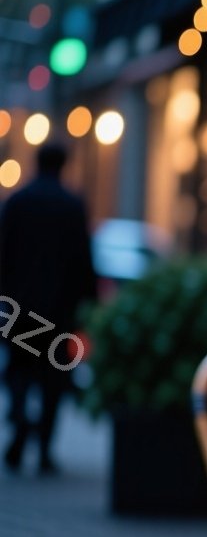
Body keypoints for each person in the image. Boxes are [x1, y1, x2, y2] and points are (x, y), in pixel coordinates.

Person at [0, 142, 97, 473]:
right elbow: (84, 259)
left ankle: (20, 421)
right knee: (54, 376)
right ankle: (44, 448)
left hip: (19, 307)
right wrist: (90, 304)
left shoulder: (17, 202)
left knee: (18, 369)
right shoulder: (72, 205)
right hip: (59, 309)